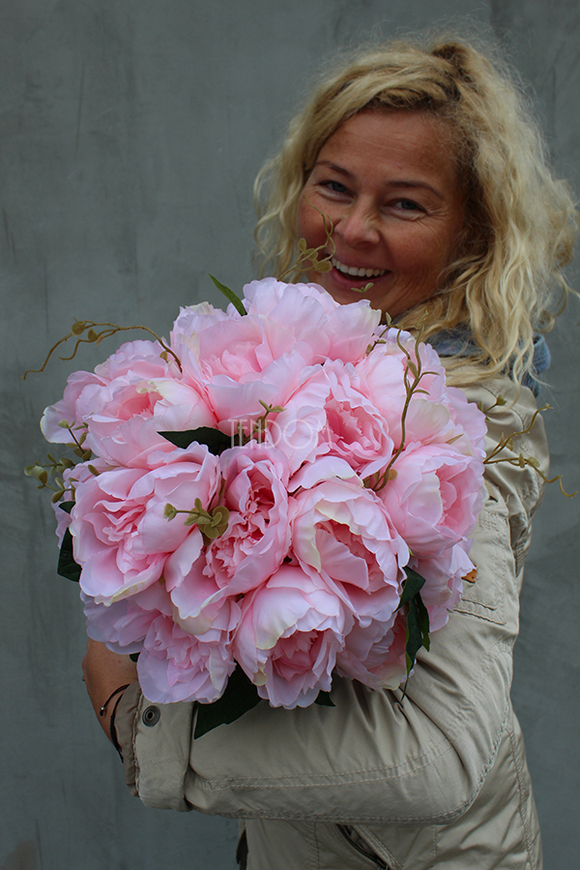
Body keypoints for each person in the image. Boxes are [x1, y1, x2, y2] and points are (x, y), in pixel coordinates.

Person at [82, 35, 577, 869]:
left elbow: (442, 754)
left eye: (406, 204)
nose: (350, 229)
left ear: (472, 232)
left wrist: (144, 725)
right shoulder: (324, 360)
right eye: (334, 186)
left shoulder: (458, 430)